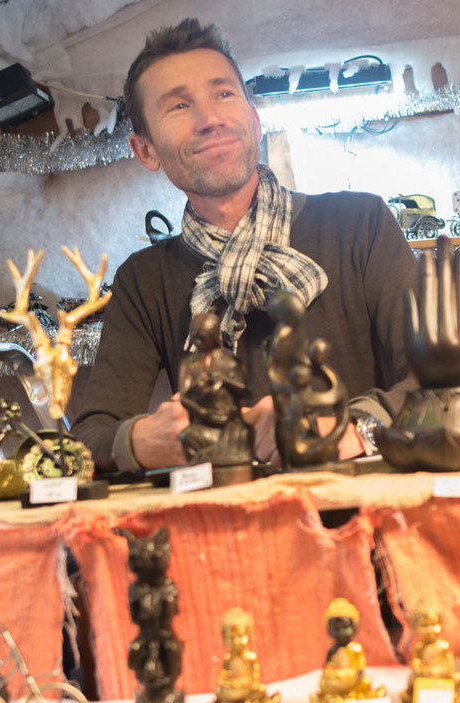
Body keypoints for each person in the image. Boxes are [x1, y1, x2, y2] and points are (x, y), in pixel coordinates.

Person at [71, 18, 417, 472]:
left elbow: (437, 383)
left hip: (360, 516)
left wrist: (350, 429)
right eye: (178, 106)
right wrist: (139, 441)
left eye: (224, 94)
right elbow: (90, 434)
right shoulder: (143, 279)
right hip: (222, 528)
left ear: (254, 120)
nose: (209, 119)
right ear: (145, 151)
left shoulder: (361, 224)